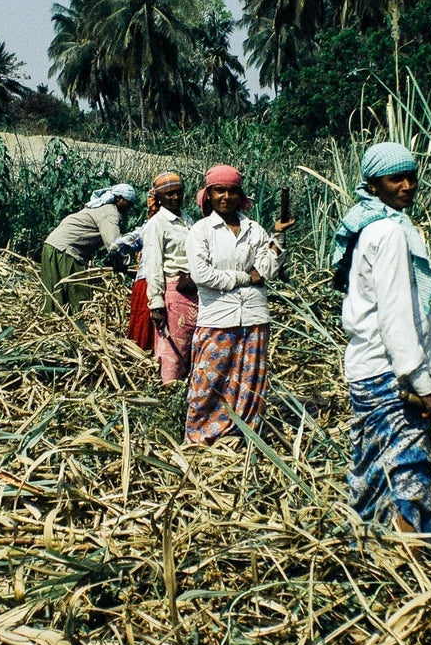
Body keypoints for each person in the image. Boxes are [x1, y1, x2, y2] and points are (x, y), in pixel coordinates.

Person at [331, 142, 431, 533]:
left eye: (412, 177)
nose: (407, 185)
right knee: (407, 473)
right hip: (390, 374)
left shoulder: (368, 227)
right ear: (374, 184)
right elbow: (396, 318)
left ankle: (371, 551)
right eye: (397, 179)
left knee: (376, 469)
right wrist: (423, 382)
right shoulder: (390, 234)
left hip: (365, 369)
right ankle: (408, 563)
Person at [184, 165, 293, 444]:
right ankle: (200, 437)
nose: (226, 197)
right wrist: (244, 277)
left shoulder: (253, 229)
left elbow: (267, 269)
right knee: (208, 382)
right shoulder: (201, 231)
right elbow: (202, 275)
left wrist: (278, 236)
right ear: (208, 195)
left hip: (254, 314)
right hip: (218, 316)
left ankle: (241, 436)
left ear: (240, 195)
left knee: (249, 381)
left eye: (232, 191)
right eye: (220, 190)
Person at [41, 184, 136, 314]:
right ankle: (77, 328)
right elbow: (114, 245)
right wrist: (126, 266)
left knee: (55, 294)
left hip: (52, 246)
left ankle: (55, 327)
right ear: (119, 199)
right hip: (66, 250)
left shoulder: (100, 208)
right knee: (78, 297)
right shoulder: (110, 212)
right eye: (129, 203)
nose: (130, 207)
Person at [141, 173, 197, 382]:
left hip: (192, 288)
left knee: (191, 345)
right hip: (173, 290)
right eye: (169, 194)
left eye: (178, 193)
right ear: (159, 197)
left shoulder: (187, 220)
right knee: (172, 349)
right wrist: (156, 303)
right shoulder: (157, 224)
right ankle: (168, 391)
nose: (175, 198)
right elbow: (153, 265)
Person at [108, 188, 157, 351]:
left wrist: (121, 265)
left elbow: (117, 246)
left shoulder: (151, 224)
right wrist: (122, 266)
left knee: (145, 330)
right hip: (152, 283)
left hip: (151, 282)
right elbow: (116, 246)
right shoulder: (152, 226)